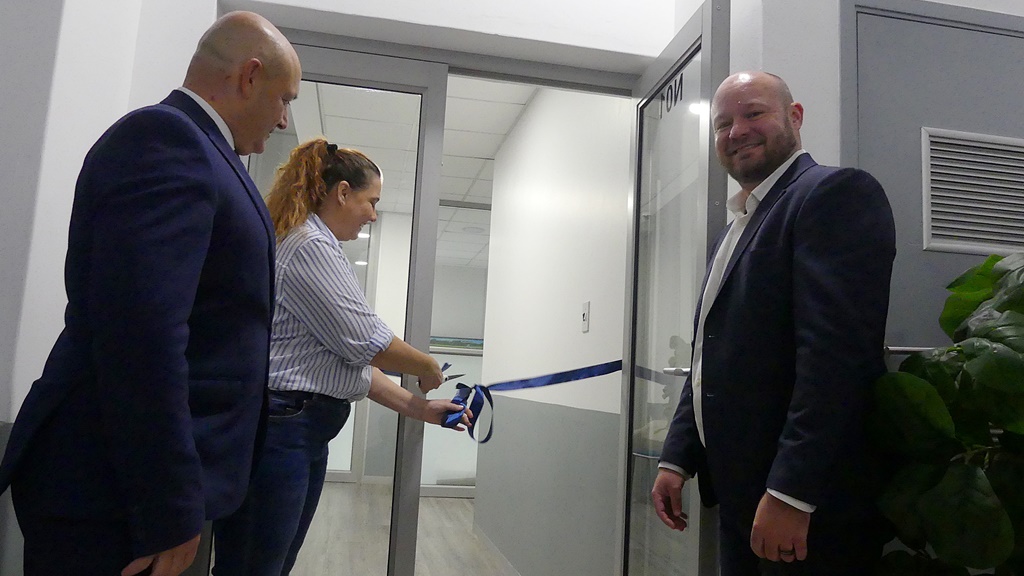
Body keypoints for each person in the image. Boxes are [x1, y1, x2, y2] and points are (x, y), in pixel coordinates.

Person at [0, 11, 301, 576]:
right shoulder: (167, 140)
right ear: (249, 76)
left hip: (141, 490)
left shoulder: (204, 151)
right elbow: (142, 335)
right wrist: (168, 503)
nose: (285, 120)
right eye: (285, 98)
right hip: (115, 496)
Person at [650, 71, 896, 575]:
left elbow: (838, 360)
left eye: (753, 113)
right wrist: (678, 457)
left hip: (804, 508)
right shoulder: (734, 230)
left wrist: (792, 492)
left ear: (795, 117)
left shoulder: (832, 195)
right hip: (741, 494)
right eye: (723, 124)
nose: (737, 131)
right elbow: (709, 356)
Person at [211, 139, 471, 575]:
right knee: (254, 567)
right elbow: (365, 341)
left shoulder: (320, 245)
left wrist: (421, 409)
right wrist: (425, 366)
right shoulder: (309, 244)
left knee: (270, 564)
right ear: (343, 192)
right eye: (371, 202)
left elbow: (350, 368)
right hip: (281, 432)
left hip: (301, 432)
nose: (372, 213)